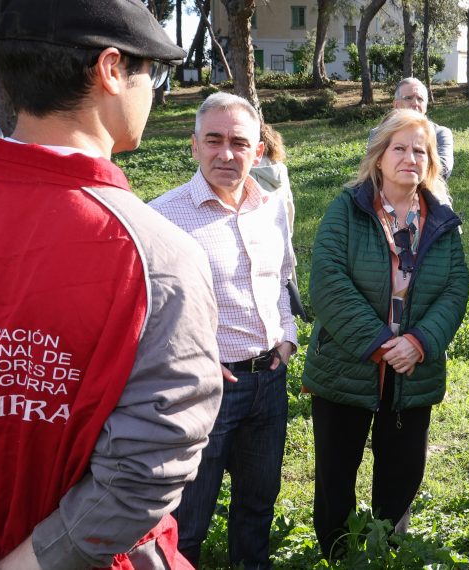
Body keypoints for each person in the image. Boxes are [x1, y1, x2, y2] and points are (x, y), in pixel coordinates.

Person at [0, 0, 223, 568]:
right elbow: (145, 470)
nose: (152, 89)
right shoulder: (157, 258)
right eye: (151, 70)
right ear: (109, 69)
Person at [304, 108, 469, 559]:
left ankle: (384, 554)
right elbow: (327, 282)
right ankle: (339, 557)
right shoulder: (347, 208)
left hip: (412, 370)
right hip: (348, 366)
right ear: (379, 157)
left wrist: (418, 342)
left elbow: (456, 288)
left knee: (401, 474)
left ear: (431, 162)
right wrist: (380, 345)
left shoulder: (441, 219)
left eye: (420, 150)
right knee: (336, 476)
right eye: (399, 148)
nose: (409, 158)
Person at [150, 92, 297, 570]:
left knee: (257, 507)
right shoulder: (162, 217)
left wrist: (288, 335)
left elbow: (282, 276)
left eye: (239, 143)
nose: (226, 154)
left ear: (258, 152)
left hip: (268, 380)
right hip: (203, 390)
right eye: (213, 140)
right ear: (194, 146)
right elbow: (146, 313)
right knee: (188, 518)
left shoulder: (271, 206)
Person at [251, 121, 308, 320]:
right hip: (279, 231)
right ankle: (298, 319)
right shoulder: (279, 170)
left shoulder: (245, 172)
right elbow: (289, 205)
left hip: (255, 236)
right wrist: (288, 232)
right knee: (286, 281)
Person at [369, 77, 454, 180]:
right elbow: (373, 169)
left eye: (420, 99)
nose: (415, 104)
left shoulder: (440, 134)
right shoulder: (378, 134)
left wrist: (407, 181)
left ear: (426, 106)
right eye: (408, 98)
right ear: (396, 105)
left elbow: (443, 170)